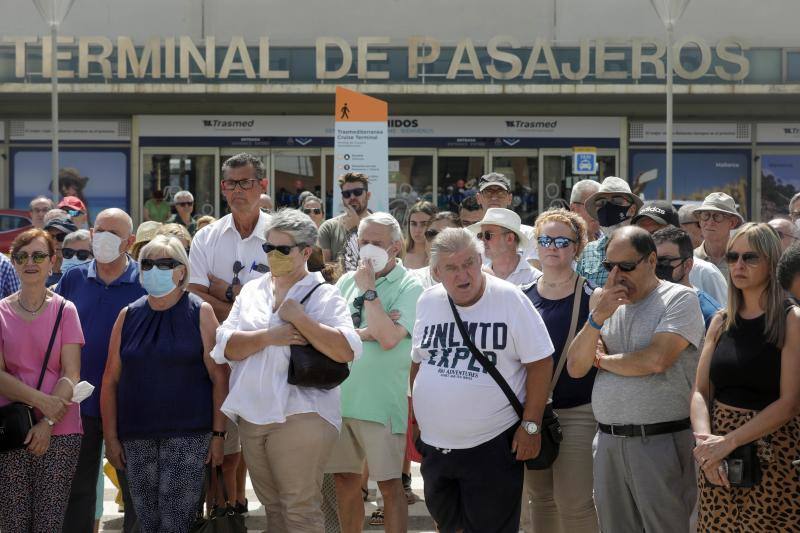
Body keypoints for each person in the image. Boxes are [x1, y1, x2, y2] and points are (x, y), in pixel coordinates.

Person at [212, 209, 360, 532]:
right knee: (274, 510)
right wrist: (269, 337)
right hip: (253, 414)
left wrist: (301, 320)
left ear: (306, 252)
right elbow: (224, 345)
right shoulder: (251, 291)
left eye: (283, 249)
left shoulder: (325, 295)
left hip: (303, 413)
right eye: (268, 248)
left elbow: (347, 349)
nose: (273, 255)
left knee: (299, 509)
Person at [411, 227, 554, 533]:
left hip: (491, 445)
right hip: (437, 447)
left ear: (480, 260)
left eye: (469, 264)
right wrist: (417, 421)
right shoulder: (428, 301)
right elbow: (419, 361)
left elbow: (541, 363)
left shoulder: (509, 299)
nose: (463, 275)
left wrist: (531, 425)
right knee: (449, 527)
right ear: (436, 272)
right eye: (452, 267)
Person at [566, 226, 704, 533]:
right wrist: (596, 318)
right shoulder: (603, 303)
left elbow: (655, 360)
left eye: (626, 266)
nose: (616, 274)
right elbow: (576, 367)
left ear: (651, 261)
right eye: (608, 266)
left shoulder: (679, 299)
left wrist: (601, 360)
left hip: (660, 441)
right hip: (608, 442)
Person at [101, 235, 228, 533]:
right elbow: (110, 380)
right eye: (148, 264)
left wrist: (219, 433)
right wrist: (111, 438)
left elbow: (219, 376)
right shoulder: (128, 315)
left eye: (164, 263)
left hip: (188, 437)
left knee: (177, 523)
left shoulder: (201, 312)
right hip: (136, 437)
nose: (155, 269)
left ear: (181, 270)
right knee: (146, 523)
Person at [691, 223, 800, 530]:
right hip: (716, 458)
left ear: (771, 263)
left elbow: (790, 402)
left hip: (773, 454)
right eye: (732, 257)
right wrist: (706, 448)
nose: (738, 265)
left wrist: (727, 442)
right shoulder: (720, 321)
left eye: (750, 258)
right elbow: (700, 391)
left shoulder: (791, 319)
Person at [327, 212, 423, 533]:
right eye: (363, 241)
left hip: (382, 406)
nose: (368, 249)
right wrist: (368, 329)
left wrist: (369, 292)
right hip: (341, 403)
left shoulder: (410, 285)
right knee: (345, 481)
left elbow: (388, 338)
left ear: (396, 246)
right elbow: (330, 335)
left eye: (377, 243)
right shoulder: (343, 282)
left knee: (390, 488)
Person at [189, 152, 272, 515]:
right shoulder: (207, 237)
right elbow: (193, 294)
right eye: (230, 183)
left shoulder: (280, 235)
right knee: (221, 451)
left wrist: (222, 292)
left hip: (269, 360)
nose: (238, 190)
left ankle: (244, 506)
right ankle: (226, 512)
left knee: (266, 459)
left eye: (246, 182)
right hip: (216, 359)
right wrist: (242, 302)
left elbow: (282, 302)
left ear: (262, 186)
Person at [57, 208, 146, 533]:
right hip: (79, 405)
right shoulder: (74, 277)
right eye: (99, 230)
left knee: (137, 493)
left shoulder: (144, 281)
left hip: (130, 405)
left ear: (130, 241)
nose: (103, 238)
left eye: (113, 233)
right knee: (77, 492)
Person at [520, 209, 600, 533]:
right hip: (534, 412)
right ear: (536, 245)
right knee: (539, 497)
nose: (552, 247)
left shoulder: (593, 297)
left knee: (575, 500)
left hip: (578, 411)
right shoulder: (522, 297)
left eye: (562, 241)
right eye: (545, 240)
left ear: (577, 247)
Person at [0, 229, 84, 533]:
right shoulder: (0, 312)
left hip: (60, 430)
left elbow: (71, 373)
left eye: (38, 256)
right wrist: (41, 403)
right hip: (11, 430)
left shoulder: (66, 310)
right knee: (11, 522)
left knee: (49, 522)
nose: (30, 262)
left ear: (53, 261)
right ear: (13, 262)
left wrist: (46, 422)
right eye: (22, 256)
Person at [633, 201, 728, 305]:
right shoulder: (631, 271)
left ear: (675, 231)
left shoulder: (705, 272)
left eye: (655, 233)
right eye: (641, 234)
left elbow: (723, 317)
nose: (648, 240)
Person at [576, 176, 642, 288]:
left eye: (617, 201)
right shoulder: (588, 250)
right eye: (601, 202)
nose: (607, 207)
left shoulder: (645, 248)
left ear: (632, 209)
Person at [653, 227, 722, 329]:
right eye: (652, 261)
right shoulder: (640, 302)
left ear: (687, 265)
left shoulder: (709, 313)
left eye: (665, 261)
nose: (656, 266)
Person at [471, 207, 542, 286]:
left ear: (510, 238)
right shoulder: (477, 277)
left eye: (488, 235)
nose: (483, 240)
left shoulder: (535, 279)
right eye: (480, 235)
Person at [475, 173, 537, 261]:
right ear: (478, 198)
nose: (494, 197)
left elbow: (534, 271)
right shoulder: (467, 236)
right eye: (488, 192)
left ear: (510, 198)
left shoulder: (529, 235)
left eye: (500, 192)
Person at [318, 172, 372, 270]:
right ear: (343, 198)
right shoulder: (329, 227)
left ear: (368, 195)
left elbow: (380, 264)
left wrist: (356, 228)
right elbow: (326, 267)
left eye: (357, 192)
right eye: (347, 194)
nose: (352, 197)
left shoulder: (382, 225)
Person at [694, 192, 744, 278]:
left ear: (732, 223)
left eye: (717, 216)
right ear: (700, 221)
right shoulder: (690, 259)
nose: (710, 222)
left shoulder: (743, 261)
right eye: (706, 215)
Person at [409, 211, 462, 289]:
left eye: (446, 234)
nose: (437, 240)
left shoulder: (474, 280)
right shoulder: (412, 280)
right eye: (431, 234)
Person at [44, 217, 78, 287]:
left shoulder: (84, 273)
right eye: (50, 237)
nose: (54, 242)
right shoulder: (38, 271)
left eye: (61, 237)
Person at [403, 201, 437, 269]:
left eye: (424, 224)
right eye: (413, 224)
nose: (417, 230)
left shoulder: (441, 255)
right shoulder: (399, 253)